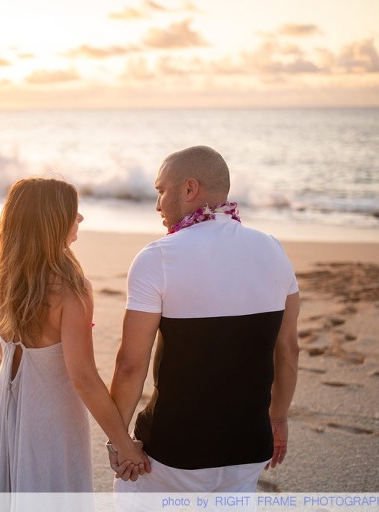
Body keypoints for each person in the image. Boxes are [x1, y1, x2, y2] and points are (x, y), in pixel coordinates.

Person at [109, 146, 300, 493]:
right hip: (250, 447)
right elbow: (288, 349)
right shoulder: (273, 249)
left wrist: (119, 442)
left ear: (188, 189)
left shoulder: (159, 257)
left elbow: (130, 365)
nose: (157, 205)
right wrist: (279, 417)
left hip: (173, 452)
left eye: (160, 190)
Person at [0, 177, 148, 495]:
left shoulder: (2, 276)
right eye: (74, 211)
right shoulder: (70, 289)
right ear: (53, 221)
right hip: (52, 416)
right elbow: (82, 376)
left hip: (7, 403)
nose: (80, 218)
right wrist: (124, 445)